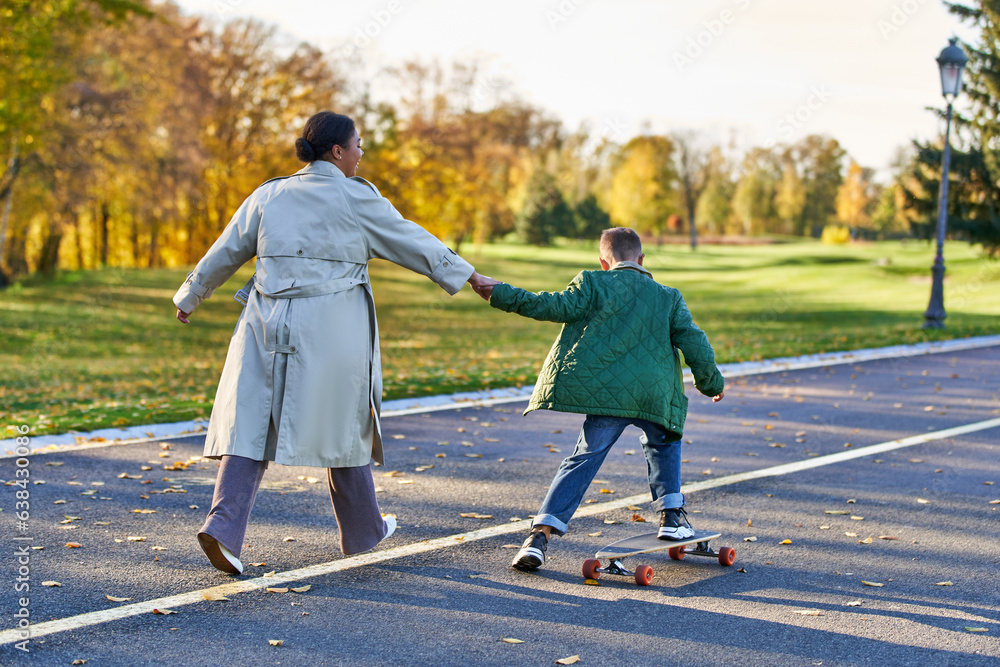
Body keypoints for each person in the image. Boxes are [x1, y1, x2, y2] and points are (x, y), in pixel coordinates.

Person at [173, 110, 497, 574]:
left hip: (263, 324)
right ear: (337, 150)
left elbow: (226, 248)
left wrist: (191, 295)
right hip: (328, 330)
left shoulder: (270, 193)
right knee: (341, 423)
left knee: (250, 424)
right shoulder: (354, 197)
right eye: (358, 145)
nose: (362, 154)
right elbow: (412, 240)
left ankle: (224, 530)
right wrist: (468, 275)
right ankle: (362, 532)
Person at [483, 227, 725, 571]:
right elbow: (695, 343)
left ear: (603, 261)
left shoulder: (591, 283)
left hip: (607, 396)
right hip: (655, 394)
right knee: (665, 442)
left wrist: (498, 293)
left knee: (583, 458)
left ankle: (539, 536)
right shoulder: (668, 296)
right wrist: (711, 382)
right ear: (641, 260)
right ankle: (672, 517)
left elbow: (547, 305)